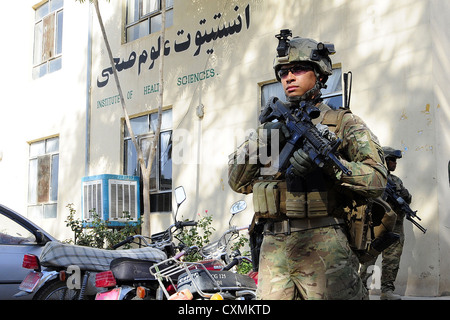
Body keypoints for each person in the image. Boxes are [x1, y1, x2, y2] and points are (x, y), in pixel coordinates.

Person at [228, 30, 388, 300]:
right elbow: (237, 181)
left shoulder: (344, 123)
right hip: (273, 248)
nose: (288, 77)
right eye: (283, 72)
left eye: (299, 69)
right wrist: (263, 140)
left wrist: (329, 166)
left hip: (324, 245)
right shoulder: (270, 129)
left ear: (321, 75)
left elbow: (377, 180)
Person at [360, 146, 411, 300]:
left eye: (396, 161)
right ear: (384, 160)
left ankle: (386, 291)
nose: (395, 163)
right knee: (370, 257)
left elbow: (406, 201)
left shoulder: (396, 180)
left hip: (396, 225)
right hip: (376, 224)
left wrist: (406, 196)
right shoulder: (375, 177)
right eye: (392, 160)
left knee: (392, 260)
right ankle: (361, 289)